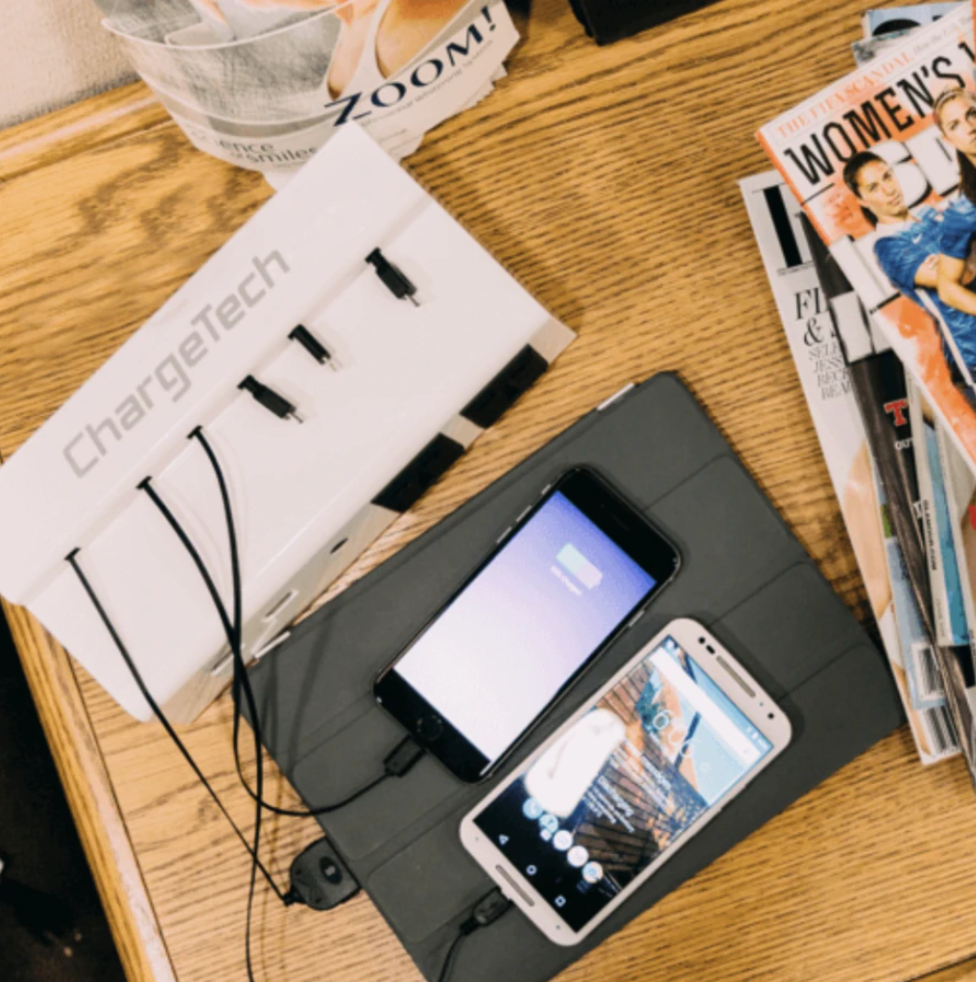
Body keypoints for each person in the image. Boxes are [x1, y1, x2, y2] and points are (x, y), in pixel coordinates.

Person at [843, 150, 976, 375]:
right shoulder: (888, 247)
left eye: (887, 176)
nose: (888, 190)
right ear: (862, 200)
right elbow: (962, 276)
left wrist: (954, 260)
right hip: (970, 350)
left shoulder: (929, 214)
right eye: (873, 187)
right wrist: (965, 254)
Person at [933, 87, 976, 330]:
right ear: (947, 139)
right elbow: (947, 289)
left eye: (972, 113)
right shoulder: (964, 210)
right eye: (955, 125)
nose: (970, 126)